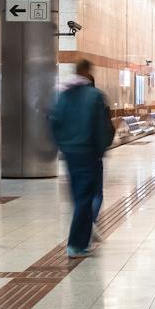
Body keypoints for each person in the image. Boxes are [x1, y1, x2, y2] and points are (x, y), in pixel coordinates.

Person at [50, 58, 116, 258]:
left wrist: (62, 144)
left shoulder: (63, 95)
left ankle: (82, 240)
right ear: (87, 73)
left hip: (70, 154)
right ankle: (76, 244)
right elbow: (102, 127)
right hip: (89, 154)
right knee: (85, 198)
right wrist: (101, 148)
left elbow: (54, 122)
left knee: (78, 196)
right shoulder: (95, 95)